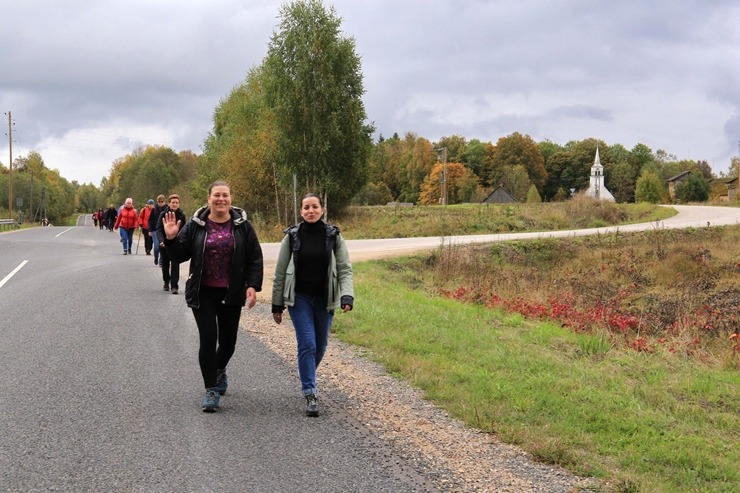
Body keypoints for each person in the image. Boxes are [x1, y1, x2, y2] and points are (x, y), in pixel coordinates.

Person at [162, 181, 263, 412]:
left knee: (228, 343)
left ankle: (219, 369)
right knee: (208, 339)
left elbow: (254, 257)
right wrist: (170, 239)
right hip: (203, 291)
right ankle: (211, 389)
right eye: (216, 195)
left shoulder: (243, 226)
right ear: (209, 198)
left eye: (225, 195)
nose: (221, 199)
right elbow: (178, 256)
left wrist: (253, 285)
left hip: (232, 291)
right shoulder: (196, 225)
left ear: (230, 198)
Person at [272, 193, 354, 417]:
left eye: (314, 207)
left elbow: (345, 270)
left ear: (322, 210)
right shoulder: (292, 237)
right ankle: (310, 392)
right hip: (300, 298)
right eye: (306, 207)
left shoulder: (333, 237)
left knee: (320, 346)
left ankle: (306, 374)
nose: (310, 211)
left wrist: (347, 296)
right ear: (301, 212)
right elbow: (280, 274)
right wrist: (277, 304)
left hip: (325, 299)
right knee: (307, 343)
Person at [156, 194, 186, 293]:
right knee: (165, 265)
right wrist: (161, 241)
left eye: (177, 203)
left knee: (175, 264)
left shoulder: (182, 215)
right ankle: (166, 281)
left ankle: (174, 286)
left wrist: (181, 242)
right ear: (169, 203)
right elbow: (159, 229)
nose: (175, 204)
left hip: (176, 244)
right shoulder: (163, 214)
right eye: (173, 202)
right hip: (164, 243)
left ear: (179, 204)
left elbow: (184, 230)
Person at [148, 195, 167, 266]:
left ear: (164, 201)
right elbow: (150, 220)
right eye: (159, 201)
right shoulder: (154, 209)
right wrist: (149, 230)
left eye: (162, 201)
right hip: (155, 230)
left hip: (164, 230)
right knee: (156, 246)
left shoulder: (167, 208)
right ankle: (156, 257)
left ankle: (161, 261)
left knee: (163, 245)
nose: (160, 203)